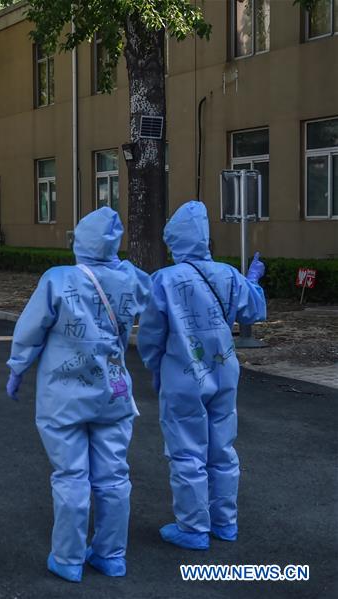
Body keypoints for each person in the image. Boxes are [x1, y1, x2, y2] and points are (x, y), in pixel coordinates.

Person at [5, 207, 150, 582]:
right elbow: (156, 302)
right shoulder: (130, 277)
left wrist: (18, 368)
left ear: (79, 241)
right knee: (114, 476)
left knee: (71, 475)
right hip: (113, 392)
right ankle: (111, 555)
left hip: (63, 397)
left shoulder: (57, 279)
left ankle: (68, 559)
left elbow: (29, 330)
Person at [137, 200, 266, 551]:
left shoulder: (163, 280)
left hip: (183, 377)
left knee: (187, 452)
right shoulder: (228, 275)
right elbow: (255, 310)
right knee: (223, 449)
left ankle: (193, 528)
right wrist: (252, 281)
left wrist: (155, 369)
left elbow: (150, 336)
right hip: (225, 372)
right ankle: (225, 523)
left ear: (175, 240)